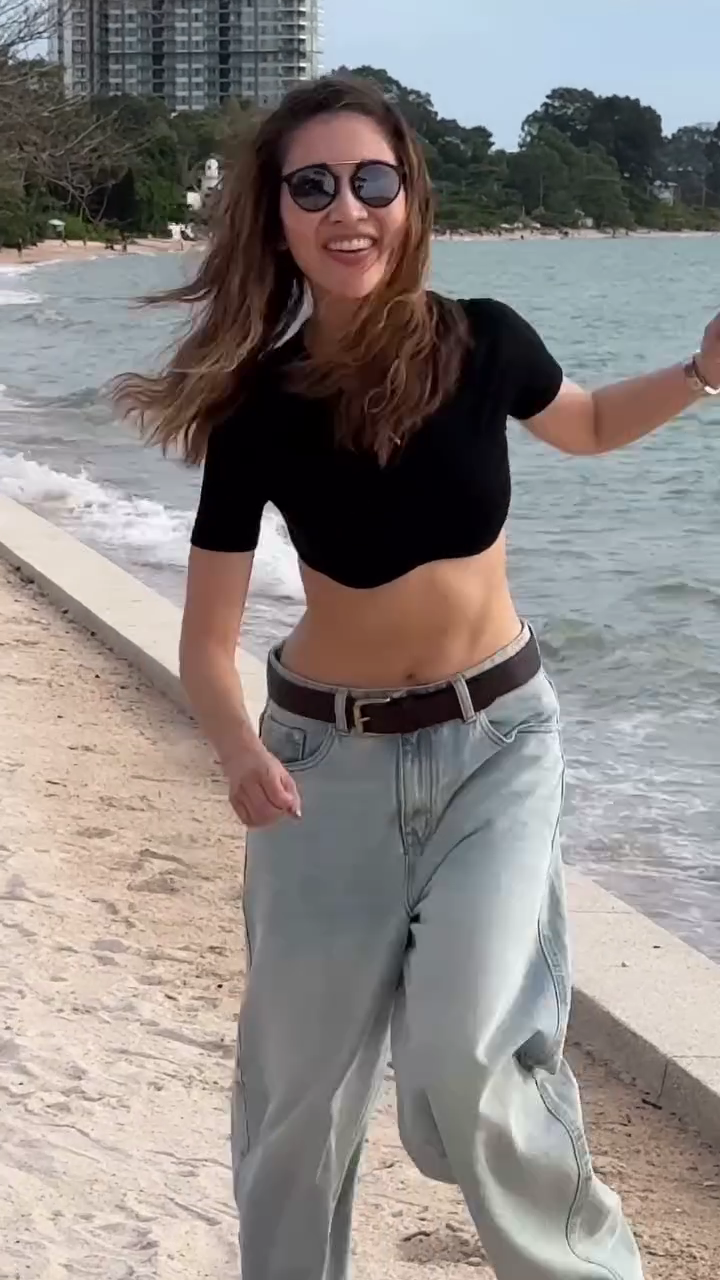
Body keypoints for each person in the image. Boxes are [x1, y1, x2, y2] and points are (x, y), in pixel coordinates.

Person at [114, 75, 720, 1280]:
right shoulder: (258, 405)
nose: (348, 209)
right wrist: (238, 748)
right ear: (277, 217)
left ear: (410, 196)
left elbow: (593, 425)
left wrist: (703, 372)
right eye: (313, 186)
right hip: (320, 772)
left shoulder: (483, 339)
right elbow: (207, 636)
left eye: (372, 180)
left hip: (499, 746)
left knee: (471, 1051)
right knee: (298, 1095)